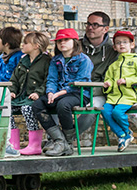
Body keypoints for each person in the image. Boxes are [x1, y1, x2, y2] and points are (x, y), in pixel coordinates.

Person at [31, 28, 93, 157]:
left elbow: (81, 81)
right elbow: (52, 79)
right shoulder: (56, 60)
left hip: (79, 94)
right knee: (38, 104)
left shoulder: (84, 60)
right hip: (58, 94)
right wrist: (50, 92)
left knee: (63, 105)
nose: (62, 43)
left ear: (75, 42)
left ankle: (68, 142)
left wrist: (60, 93)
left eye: (66, 40)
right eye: (59, 41)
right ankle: (60, 141)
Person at [101, 30, 137, 152]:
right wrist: (107, 85)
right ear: (114, 47)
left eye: (125, 42)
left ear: (132, 45)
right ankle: (124, 135)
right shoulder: (113, 65)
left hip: (129, 96)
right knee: (105, 111)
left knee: (117, 113)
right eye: (118, 43)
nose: (122, 45)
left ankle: (125, 132)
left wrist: (127, 80)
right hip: (114, 97)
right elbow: (108, 79)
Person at [6, 31, 52, 156]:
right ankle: (13, 143)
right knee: (6, 107)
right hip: (21, 96)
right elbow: (14, 79)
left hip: (36, 97)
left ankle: (35, 144)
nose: (23, 45)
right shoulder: (23, 60)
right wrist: (12, 91)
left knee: (27, 108)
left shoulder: (46, 61)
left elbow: (48, 80)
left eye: (26, 43)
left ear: (36, 46)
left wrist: (38, 93)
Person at [80, 11, 119, 116]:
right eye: (88, 24)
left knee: (91, 110)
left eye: (95, 25)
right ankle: (59, 132)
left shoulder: (113, 52)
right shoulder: (76, 46)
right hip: (75, 90)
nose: (90, 27)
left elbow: (110, 80)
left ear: (105, 29)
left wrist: (90, 91)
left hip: (98, 93)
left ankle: (72, 133)